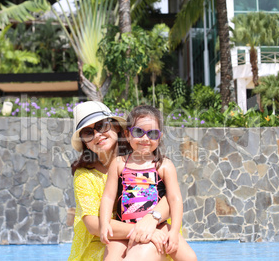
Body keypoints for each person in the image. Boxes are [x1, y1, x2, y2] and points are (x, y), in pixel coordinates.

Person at [68, 101, 174, 261]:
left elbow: (170, 197)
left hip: (154, 229)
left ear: (116, 127)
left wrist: (151, 220)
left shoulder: (141, 155)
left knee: (147, 249)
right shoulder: (85, 175)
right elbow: (93, 225)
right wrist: (144, 230)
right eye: (88, 132)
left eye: (102, 125)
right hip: (104, 242)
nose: (97, 135)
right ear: (85, 142)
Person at [99, 105, 197, 261]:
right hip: (125, 228)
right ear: (127, 134)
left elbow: (175, 199)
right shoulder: (119, 164)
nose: (145, 138)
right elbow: (108, 197)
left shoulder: (163, 165)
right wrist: (104, 224)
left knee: (190, 258)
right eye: (138, 132)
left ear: (159, 136)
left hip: (158, 225)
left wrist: (174, 231)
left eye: (152, 133)